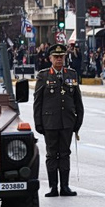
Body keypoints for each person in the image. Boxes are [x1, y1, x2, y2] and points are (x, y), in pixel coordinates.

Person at [33, 44, 84, 197]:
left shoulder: (71, 74)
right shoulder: (44, 76)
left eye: (61, 57)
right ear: (50, 59)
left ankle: (65, 186)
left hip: (67, 121)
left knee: (64, 154)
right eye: (56, 57)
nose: (59, 60)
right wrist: (38, 123)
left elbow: (77, 100)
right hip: (50, 122)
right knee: (51, 154)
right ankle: (53, 187)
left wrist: (78, 121)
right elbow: (38, 101)